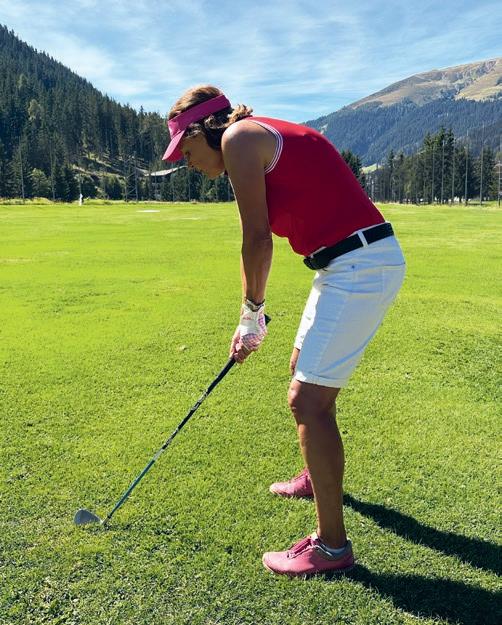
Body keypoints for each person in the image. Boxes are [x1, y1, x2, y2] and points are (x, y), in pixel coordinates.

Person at [162, 85, 406, 577]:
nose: (186, 162)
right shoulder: (252, 135)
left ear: (201, 130)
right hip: (343, 263)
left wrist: (251, 314)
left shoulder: (237, 139)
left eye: (184, 149)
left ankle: (332, 548)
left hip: (359, 264)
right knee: (303, 373)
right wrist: (252, 314)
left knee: (307, 401)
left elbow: (257, 237)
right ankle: (317, 475)